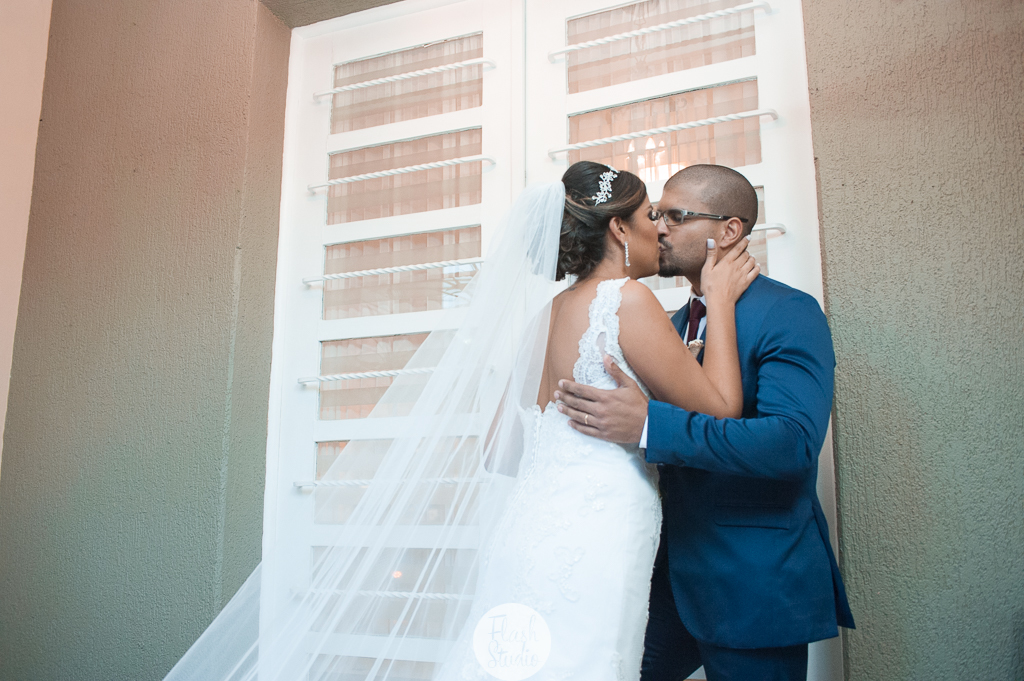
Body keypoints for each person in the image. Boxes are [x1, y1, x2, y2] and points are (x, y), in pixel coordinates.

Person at [163, 163, 757, 681]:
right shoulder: (625, 301)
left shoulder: (547, 317)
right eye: (651, 214)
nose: (661, 227)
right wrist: (722, 299)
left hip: (529, 529)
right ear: (618, 229)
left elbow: (498, 451)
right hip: (598, 532)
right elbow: (724, 408)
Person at [555, 164, 856, 681]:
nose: (658, 228)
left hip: (750, 582)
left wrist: (650, 426)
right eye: (654, 215)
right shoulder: (664, 325)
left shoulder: (788, 312)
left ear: (729, 230)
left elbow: (791, 444)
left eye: (675, 215)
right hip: (659, 579)